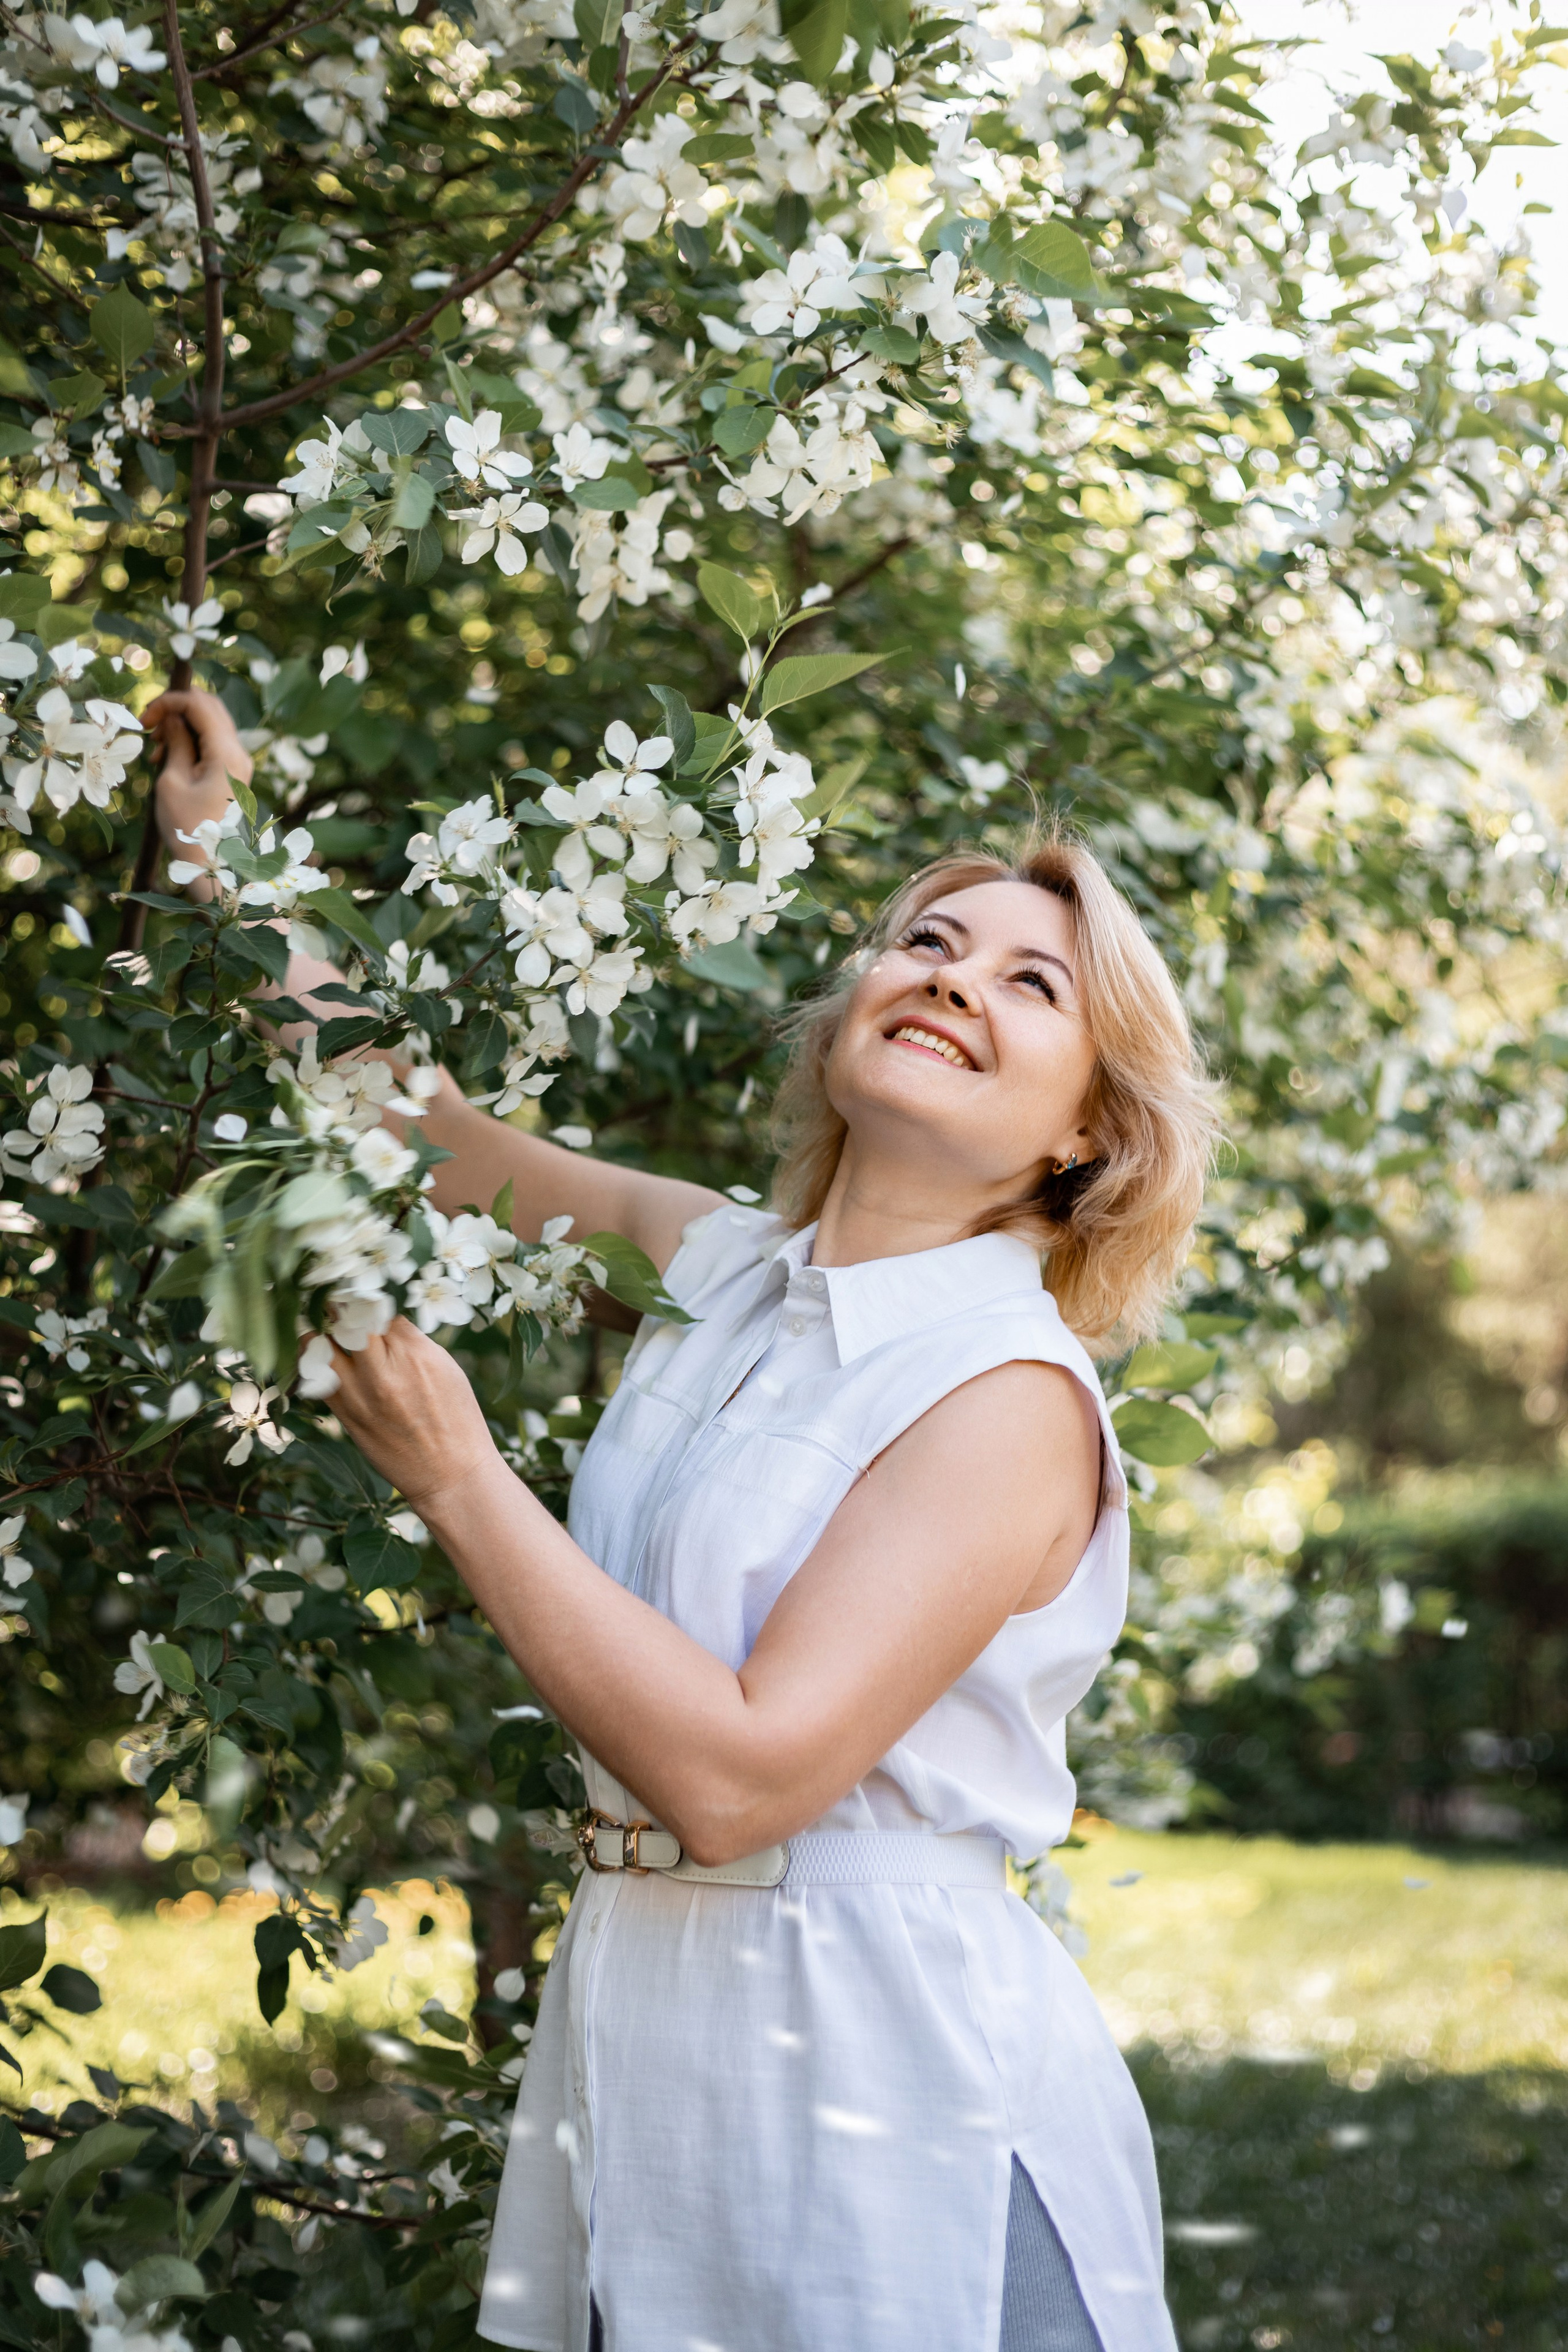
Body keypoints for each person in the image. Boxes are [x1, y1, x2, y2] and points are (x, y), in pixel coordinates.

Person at [152, 689, 1218, 2352]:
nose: (952, 974)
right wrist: (218, 852)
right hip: (642, 2013)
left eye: (1031, 981)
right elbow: (408, 1117)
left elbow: (738, 1779)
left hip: (883, 2068)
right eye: (929, 939)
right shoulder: (719, 1269)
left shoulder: (1007, 1396)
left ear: (1088, 1127)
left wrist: (452, 1473)